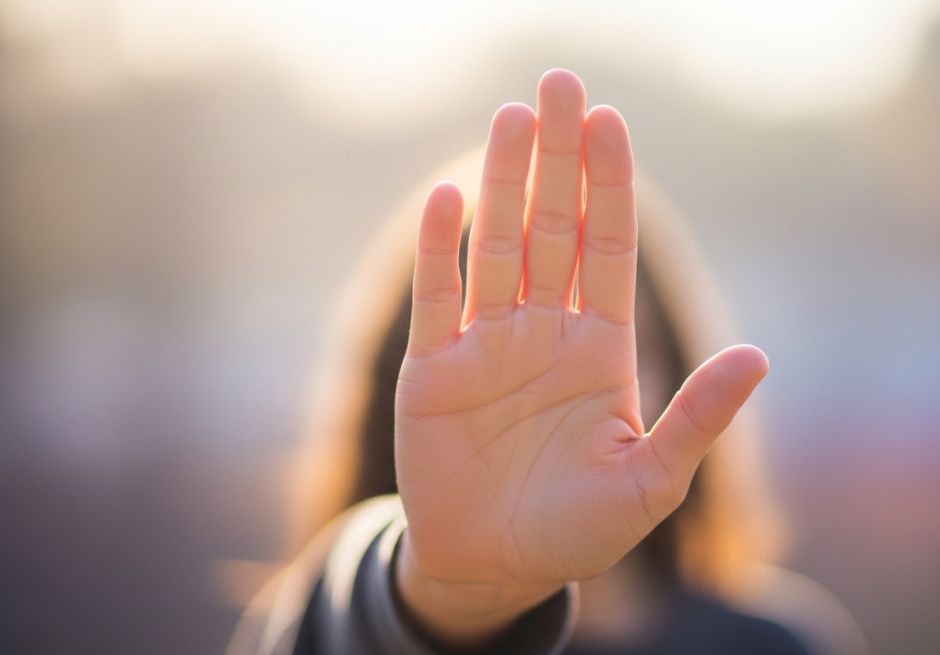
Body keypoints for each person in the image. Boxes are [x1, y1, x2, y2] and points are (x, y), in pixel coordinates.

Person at [229, 70, 866, 655]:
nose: (549, 397)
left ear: (675, 361)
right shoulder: (317, 624)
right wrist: (458, 596)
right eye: (483, 353)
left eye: (620, 344)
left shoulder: (778, 646)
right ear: (396, 404)